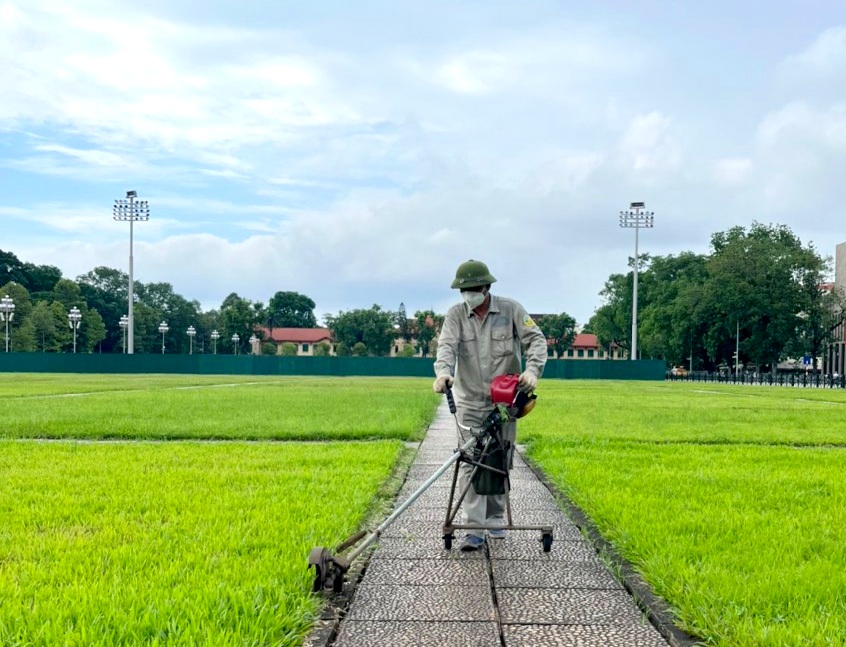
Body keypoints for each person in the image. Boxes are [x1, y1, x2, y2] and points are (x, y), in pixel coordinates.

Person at [433, 259, 547, 551]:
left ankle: (495, 518)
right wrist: (443, 372)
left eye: (472, 289)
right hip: (470, 399)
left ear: (486, 287)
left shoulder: (510, 310)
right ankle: (473, 529)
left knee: (500, 458)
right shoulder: (456, 315)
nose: (467, 294)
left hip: (506, 399)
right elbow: (446, 346)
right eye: (463, 290)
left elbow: (536, 341)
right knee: (471, 460)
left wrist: (532, 372)